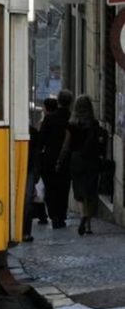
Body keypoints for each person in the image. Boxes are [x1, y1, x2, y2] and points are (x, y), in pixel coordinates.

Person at [58, 94, 107, 236]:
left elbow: (66, 145)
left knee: (79, 191)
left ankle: (83, 216)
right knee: (91, 192)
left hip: (76, 159)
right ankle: (89, 225)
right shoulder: (94, 123)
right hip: (91, 159)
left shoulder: (71, 125)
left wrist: (60, 160)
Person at [39, 88, 73, 228]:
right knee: (63, 188)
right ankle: (61, 215)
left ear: (58, 101)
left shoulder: (49, 118)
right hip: (66, 159)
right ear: (70, 102)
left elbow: (41, 139)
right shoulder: (71, 118)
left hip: (50, 159)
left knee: (51, 188)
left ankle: (54, 216)